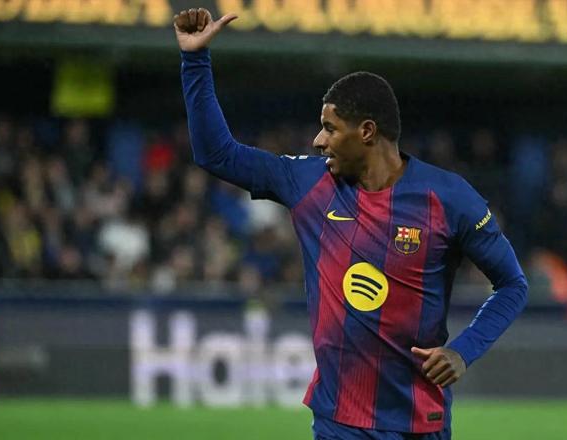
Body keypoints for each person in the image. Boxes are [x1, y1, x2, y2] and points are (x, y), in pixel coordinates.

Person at [173, 8, 528, 440]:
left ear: (367, 132)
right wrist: (195, 60)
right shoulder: (307, 182)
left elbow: (512, 284)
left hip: (420, 423)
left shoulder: (449, 199)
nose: (318, 140)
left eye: (329, 128)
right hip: (339, 422)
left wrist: (463, 351)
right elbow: (217, 154)